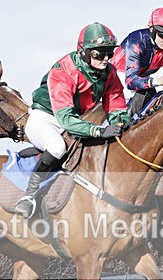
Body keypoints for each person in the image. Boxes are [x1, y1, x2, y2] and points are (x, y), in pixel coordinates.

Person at [15, 22, 131, 219]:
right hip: (46, 119)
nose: (105, 59)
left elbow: (115, 102)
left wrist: (120, 122)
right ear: (84, 53)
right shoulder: (63, 70)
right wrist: (98, 131)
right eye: (99, 54)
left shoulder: (108, 72)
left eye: (109, 53)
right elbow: (66, 119)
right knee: (57, 147)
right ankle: (29, 195)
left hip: (77, 120)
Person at [110, 6, 163, 116]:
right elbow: (130, 81)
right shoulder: (136, 42)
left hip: (140, 77)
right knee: (145, 93)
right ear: (152, 29)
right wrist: (158, 81)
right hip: (117, 78)